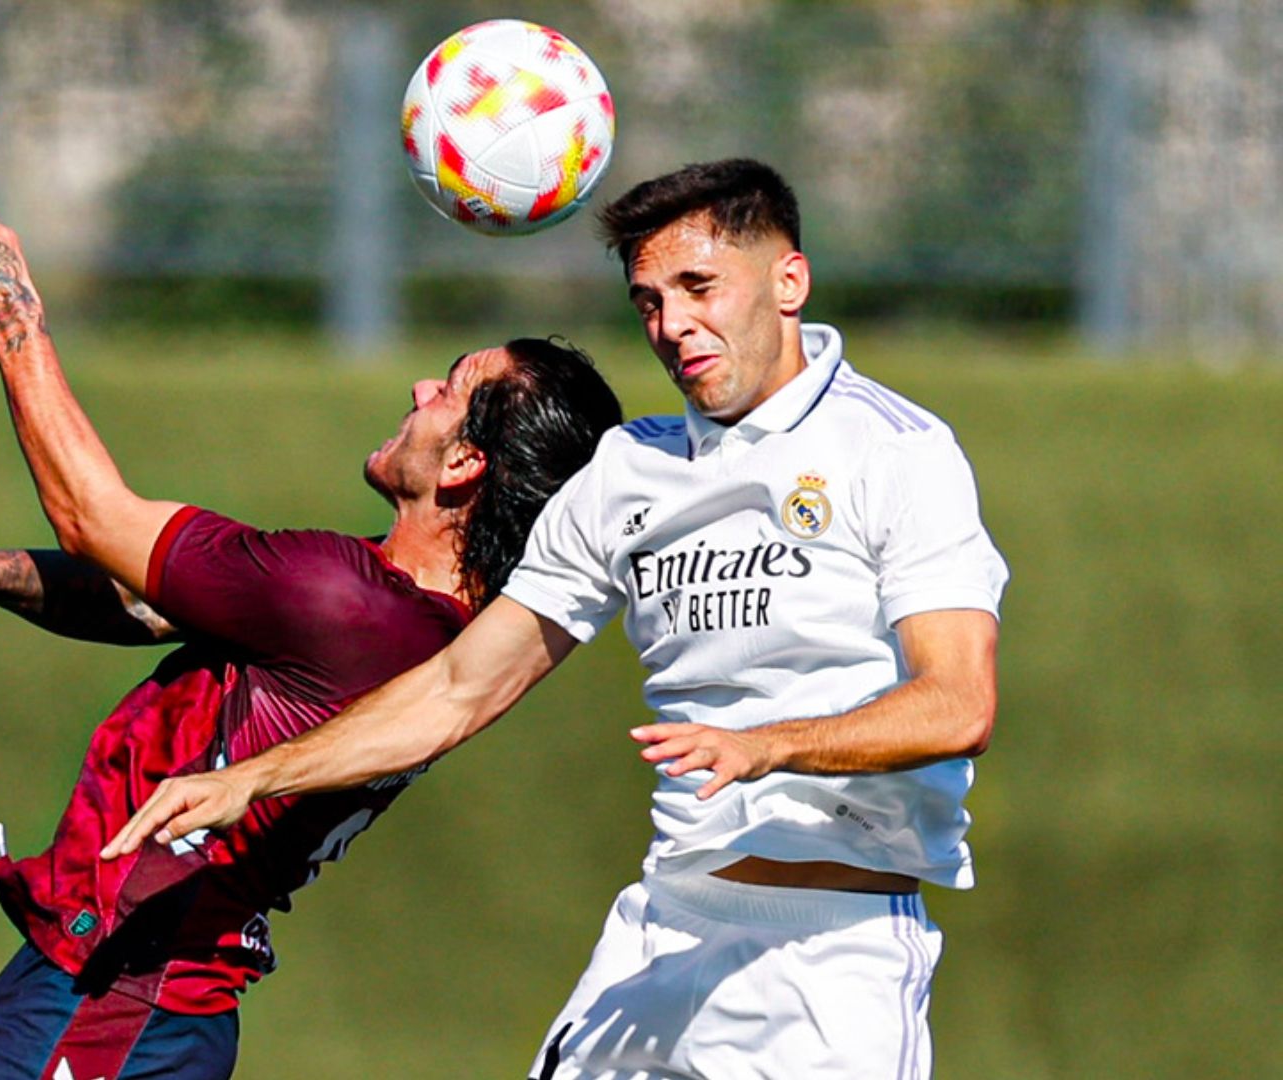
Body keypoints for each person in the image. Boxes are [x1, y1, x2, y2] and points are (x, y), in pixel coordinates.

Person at [108, 158, 1010, 1079]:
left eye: (700, 287)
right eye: (648, 301)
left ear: (790, 281)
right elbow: (459, 688)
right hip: (661, 936)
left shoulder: (896, 450)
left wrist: (766, 746)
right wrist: (253, 779)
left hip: (830, 961)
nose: (673, 326)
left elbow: (957, 706)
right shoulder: (629, 469)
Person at [0, 162, 623, 1080]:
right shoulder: (421, 624)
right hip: (136, 1001)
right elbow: (150, 604)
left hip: (115, 1001)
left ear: (462, 467)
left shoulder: (345, 601)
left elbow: (93, 518)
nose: (419, 389)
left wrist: (13, 317)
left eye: (451, 389)